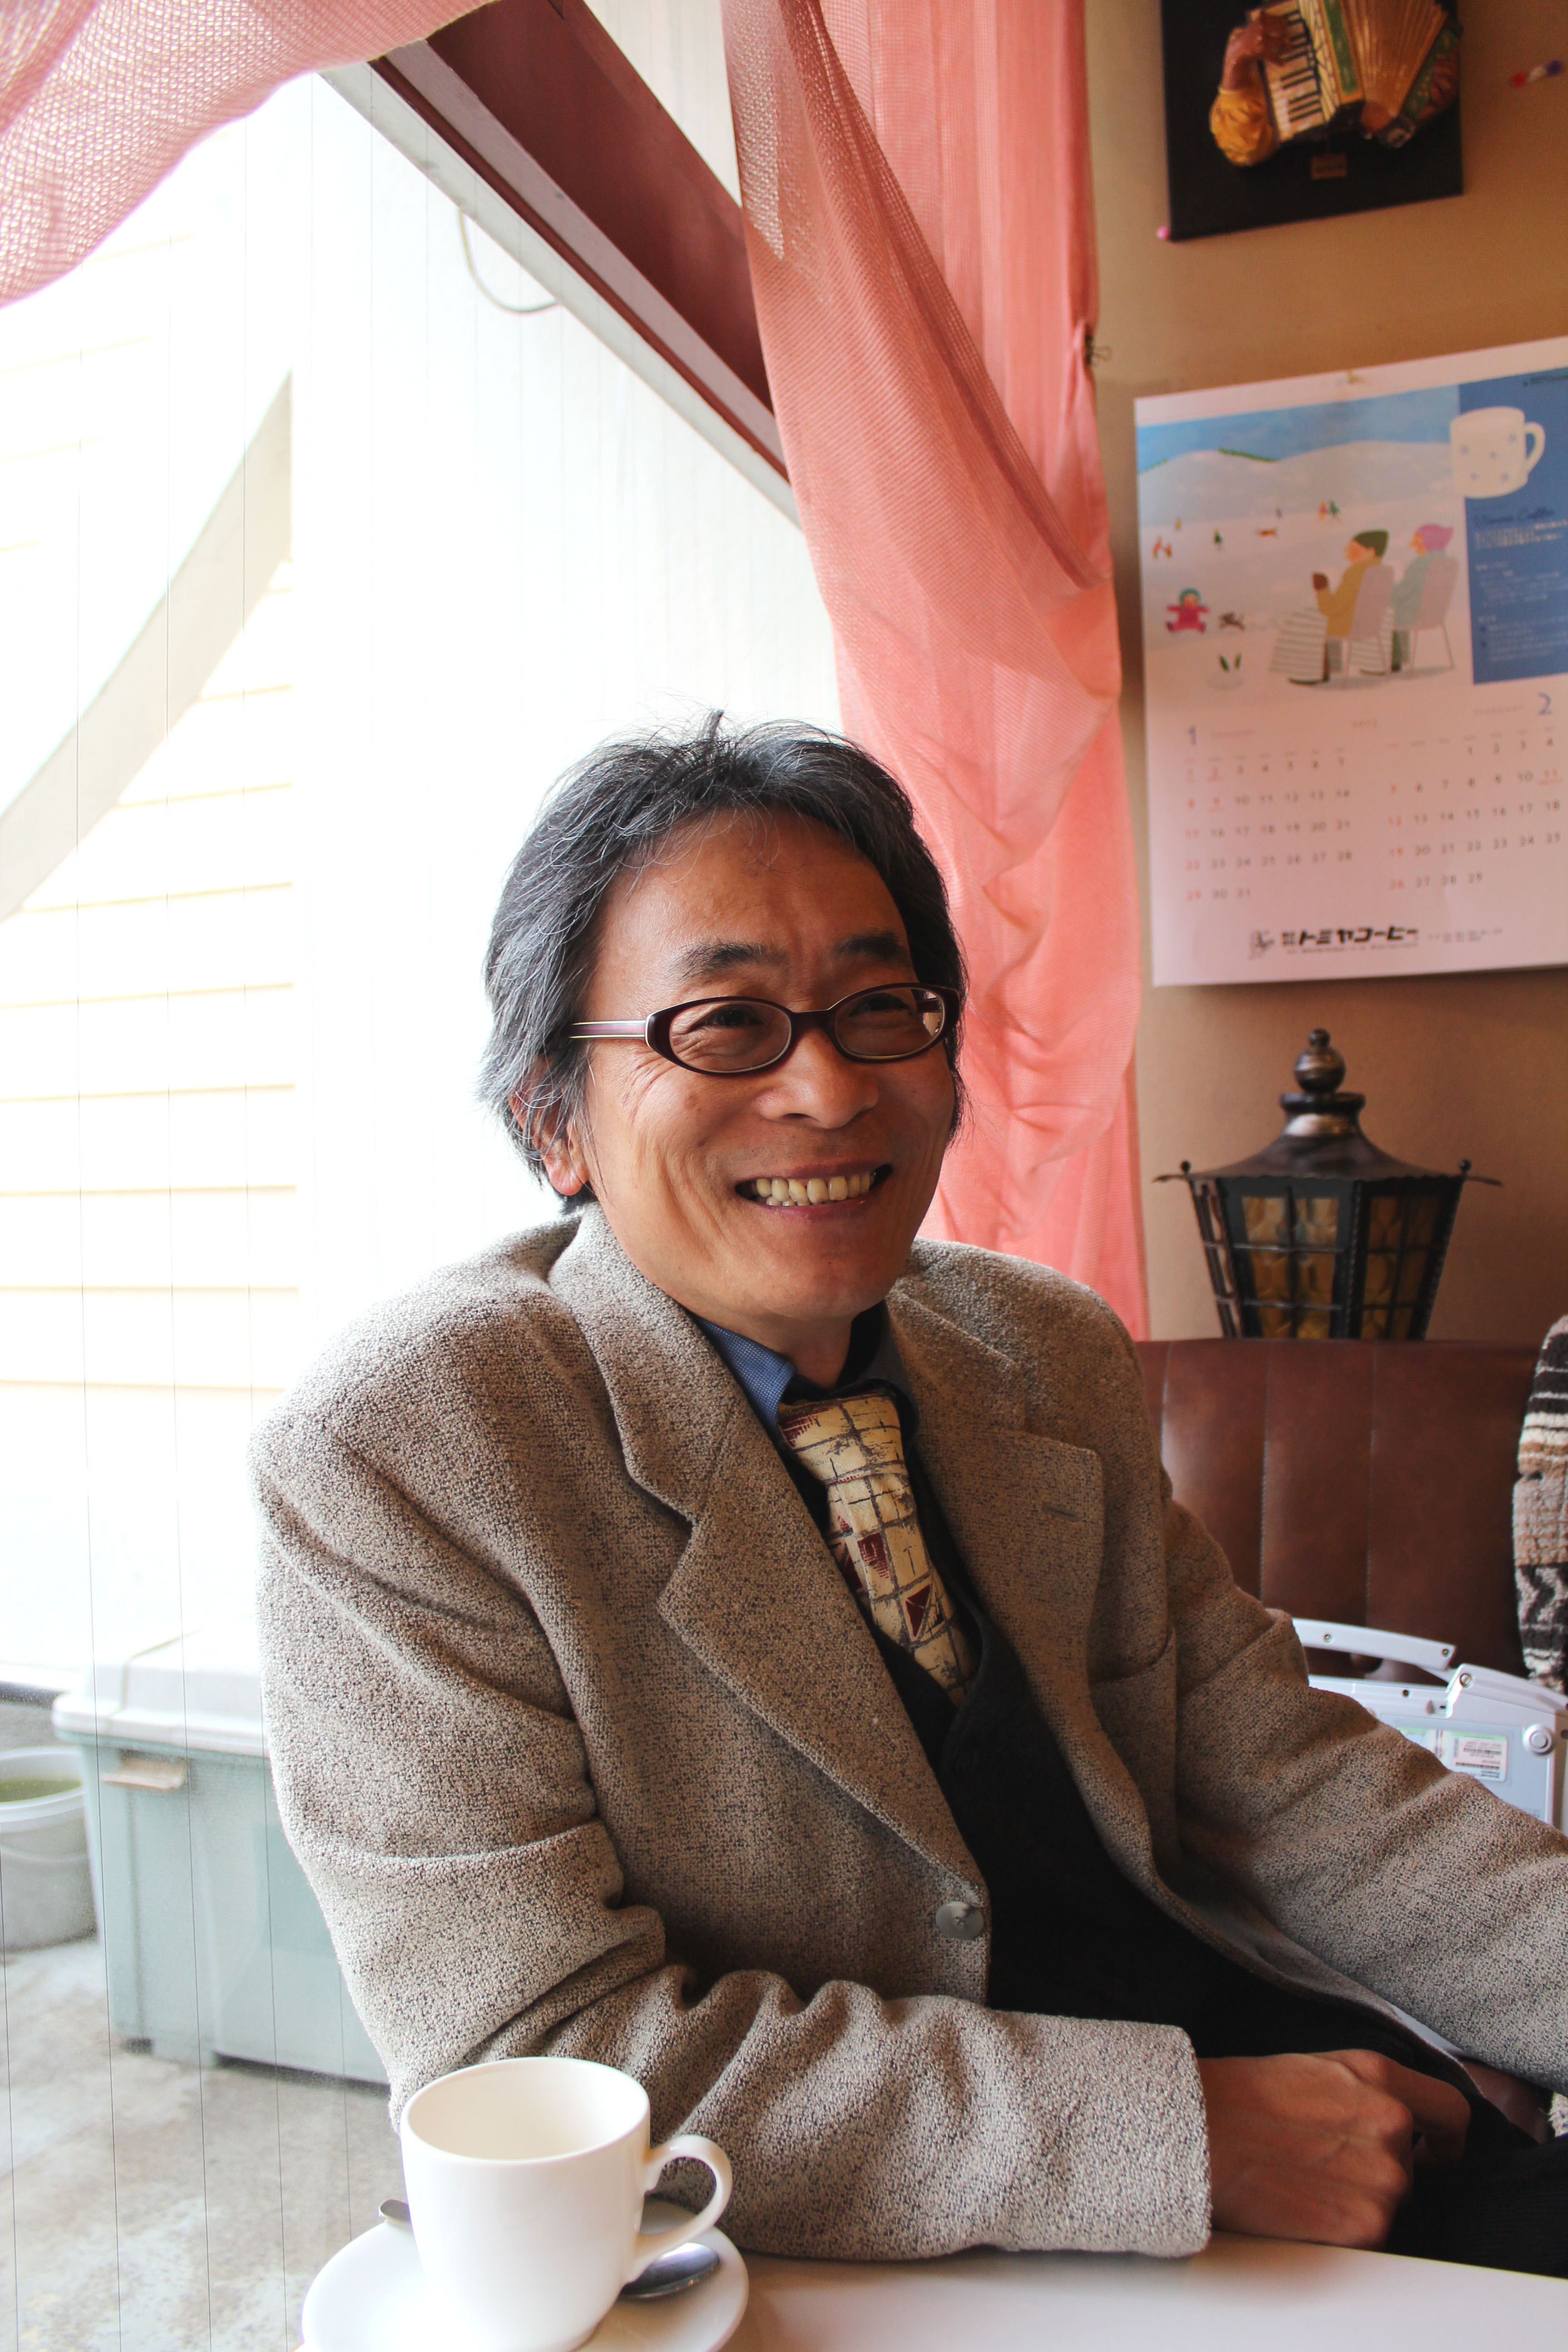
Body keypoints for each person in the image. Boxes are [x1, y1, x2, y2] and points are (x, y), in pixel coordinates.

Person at [253, 720, 1568, 2272]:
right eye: (725, 1025)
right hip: (873, 2244)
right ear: (556, 1121)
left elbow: (1290, 1780)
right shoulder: (410, 1452)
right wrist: (1190, 2138)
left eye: (882, 1010)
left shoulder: (1041, 1348)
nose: (828, 1089)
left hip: (1277, 2074)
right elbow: (535, 2061)